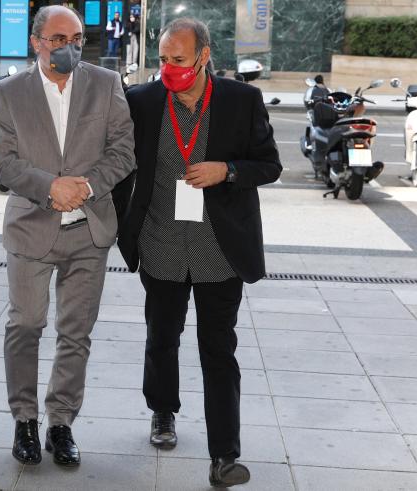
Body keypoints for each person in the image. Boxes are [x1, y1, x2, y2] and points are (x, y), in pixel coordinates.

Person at [115, 17, 282, 488]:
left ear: (204, 56)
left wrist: (227, 170)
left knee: (218, 350)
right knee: (162, 337)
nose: (169, 68)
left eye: (180, 60)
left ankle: (224, 455)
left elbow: (269, 165)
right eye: (164, 59)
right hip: (161, 242)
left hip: (219, 249)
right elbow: (123, 165)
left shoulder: (241, 101)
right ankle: (163, 411)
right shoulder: (143, 101)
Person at [0, 5, 135, 468]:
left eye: (75, 39)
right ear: (36, 42)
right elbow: (1, 161)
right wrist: (51, 187)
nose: (68, 48)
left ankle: (60, 423)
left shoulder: (106, 84)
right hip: (32, 228)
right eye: (57, 39)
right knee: (26, 325)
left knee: (76, 333)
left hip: (90, 231)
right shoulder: (8, 93)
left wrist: (87, 186)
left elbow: (123, 150)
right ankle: (25, 421)